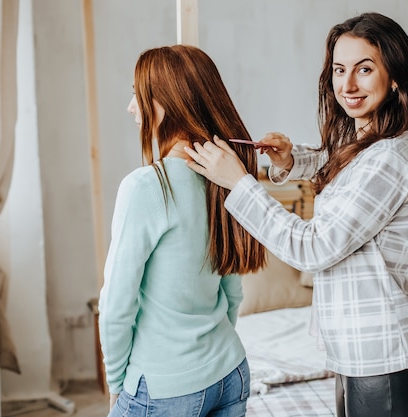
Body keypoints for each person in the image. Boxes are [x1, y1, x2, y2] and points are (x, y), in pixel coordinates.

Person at [185, 12, 408, 417]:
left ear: (395, 77)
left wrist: (240, 184)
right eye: (340, 70)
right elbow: (335, 161)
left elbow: (314, 248)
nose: (348, 84)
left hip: (386, 357)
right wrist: (288, 160)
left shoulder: (390, 158)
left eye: (365, 69)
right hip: (363, 354)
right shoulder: (370, 143)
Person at [98, 44, 266, 417]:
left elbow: (115, 306)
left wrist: (115, 384)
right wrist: (209, 354)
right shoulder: (224, 175)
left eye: (136, 95)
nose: (130, 107)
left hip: (164, 388)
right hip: (229, 369)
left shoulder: (145, 187)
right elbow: (232, 291)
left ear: (166, 103)